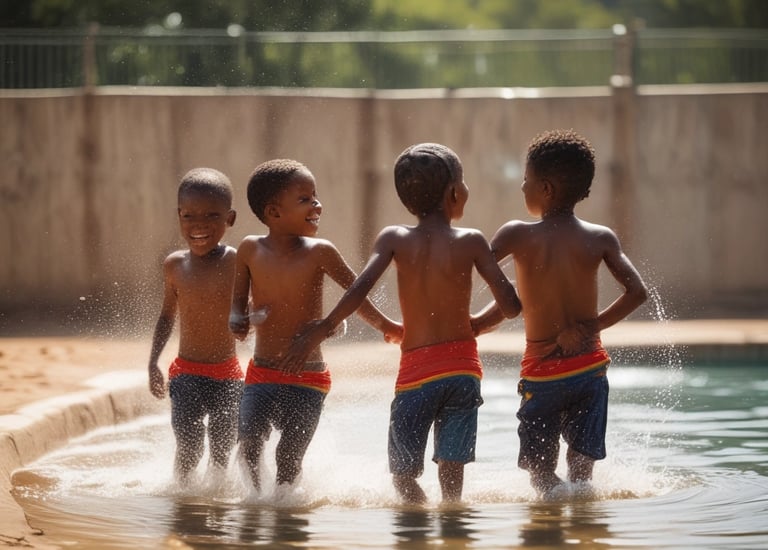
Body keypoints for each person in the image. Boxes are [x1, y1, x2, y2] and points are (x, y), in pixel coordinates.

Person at [278, 143, 522, 504]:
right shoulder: (471, 241)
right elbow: (512, 306)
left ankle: (416, 532)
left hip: (415, 375)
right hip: (461, 371)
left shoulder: (393, 238)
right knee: (452, 483)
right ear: (455, 193)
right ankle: (454, 535)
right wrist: (477, 325)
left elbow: (359, 288)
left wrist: (326, 325)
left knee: (404, 479)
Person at [476, 129, 648, 497]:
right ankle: (584, 528)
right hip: (589, 370)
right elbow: (637, 292)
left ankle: (550, 532)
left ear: (546, 189)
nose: (522, 188)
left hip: (543, 375)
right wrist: (591, 328)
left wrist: (471, 325)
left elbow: (503, 296)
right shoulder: (600, 237)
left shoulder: (516, 235)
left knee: (541, 477)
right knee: (582, 477)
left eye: (526, 181)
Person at [230, 158, 401, 494]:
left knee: (288, 457)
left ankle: (284, 518)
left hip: (307, 378)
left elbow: (357, 293)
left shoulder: (320, 252)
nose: (317, 205)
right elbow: (236, 310)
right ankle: (254, 509)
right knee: (248, 444)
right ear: (274, 212)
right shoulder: (249, 250)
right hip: (261, 373)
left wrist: (387, 325)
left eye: (315, 196)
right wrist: (242, 322)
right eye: (305, 199)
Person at [147, 167, 244, 484]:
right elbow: (166, 316)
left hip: (228, 376)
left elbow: (251, 309)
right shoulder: (174, 264)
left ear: (229, 219)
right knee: (188, 445)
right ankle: (184, 505)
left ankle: (215, 512)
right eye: (189, 216)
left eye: (211, 216)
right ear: (179, 216)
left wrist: (249, 322)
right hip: (186, 373)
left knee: (221, 449)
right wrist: (152, 363)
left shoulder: (236, 262)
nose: (199, 225)